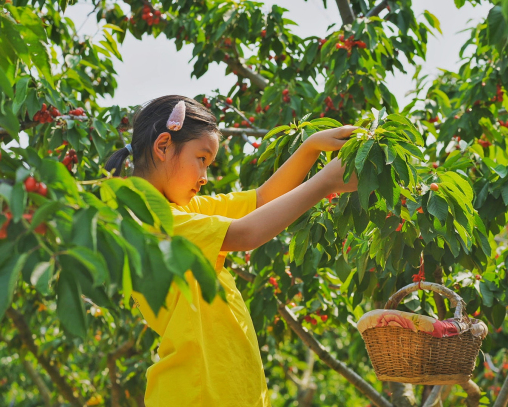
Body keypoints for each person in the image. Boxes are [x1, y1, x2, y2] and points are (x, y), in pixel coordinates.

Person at [104, 95, 358, 406]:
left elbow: (262, 200)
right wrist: (326, 182)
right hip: (196, 394)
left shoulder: (176, 208)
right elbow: (246, 233)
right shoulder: (149, 217)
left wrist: (311, 147)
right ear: (163, 146)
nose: (205, 178)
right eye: (202, 159)